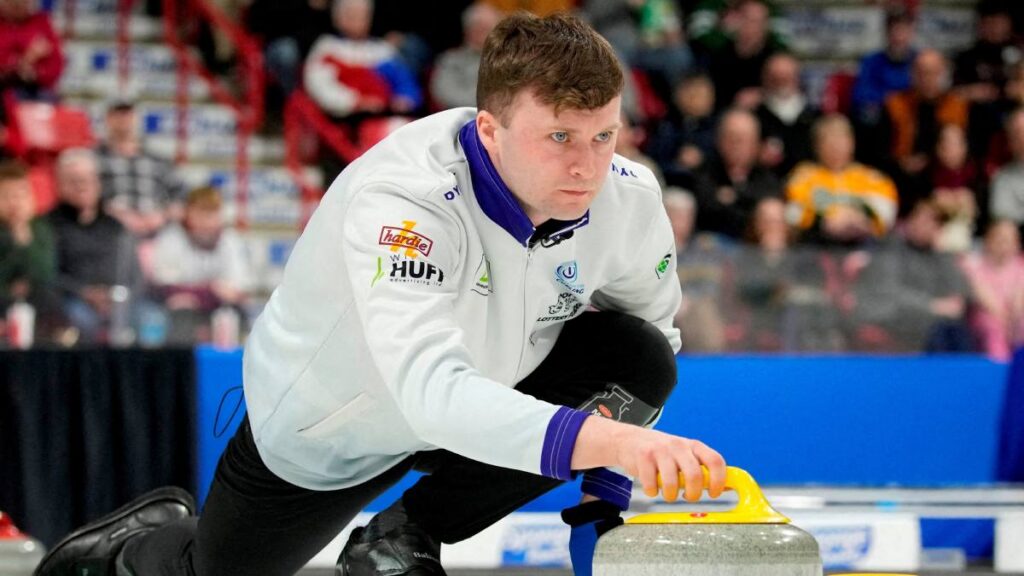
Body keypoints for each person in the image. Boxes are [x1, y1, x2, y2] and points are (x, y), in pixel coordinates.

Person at [35, 12, 727, 576]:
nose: (587, 164)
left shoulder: (626, 195)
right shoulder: (404, 204)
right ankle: (132, 548)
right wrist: (608, 442)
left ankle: (404, 538)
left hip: (489, 388)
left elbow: (653, 331)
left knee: (638, 357)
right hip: (339, 418)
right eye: (560, 137)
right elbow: (427, 391)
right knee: (210, 572)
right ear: (490, 130)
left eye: (605, 134)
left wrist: (607, 479)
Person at [97, 99, 187, 239]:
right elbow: (82, 195)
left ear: (137, 117)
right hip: (109, 235)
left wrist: (162, 216)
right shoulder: (94, 159)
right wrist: (112, 213)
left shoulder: (158, 160)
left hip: (156, 236)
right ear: (108, 118)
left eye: (128, 113)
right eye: (118, 114)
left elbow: (181, 196)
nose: (123, 119)